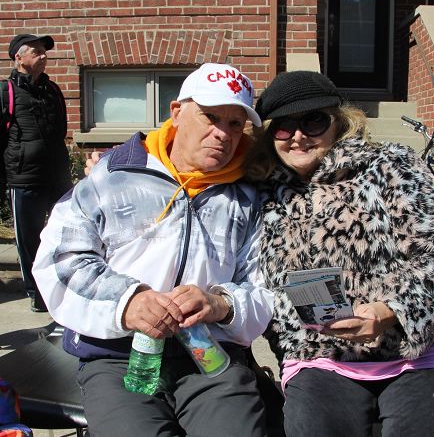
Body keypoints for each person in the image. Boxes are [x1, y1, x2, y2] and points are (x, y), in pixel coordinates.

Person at [32, 63, 274, 437]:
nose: (222, 134)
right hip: (116, 355)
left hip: (210, 354)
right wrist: (128, 302)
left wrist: (221, 305)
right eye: (210, 117)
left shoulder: (249, 197)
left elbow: (263, 285)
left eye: (235, 124)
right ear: (177, 112)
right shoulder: (112, 177)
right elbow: (60, 259)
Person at [244, 71, 434, 436]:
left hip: (419, 354)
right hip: (318, 358)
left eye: (313, 120)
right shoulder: (262, 191)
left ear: (338, 122)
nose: (299, 136)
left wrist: (390, 312)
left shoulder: (392, 167)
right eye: (284, 127)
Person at [0, 34, 72, 312]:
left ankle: (64, 286)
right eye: (36, 51)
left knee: (64, 236)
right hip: (24, 179)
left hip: (57, 178)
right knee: (29, 240)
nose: (43, 55)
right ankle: (37, 294)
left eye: (45, 51)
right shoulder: (5, 91)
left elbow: (61, 130)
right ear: (19, 57)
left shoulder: (52, 89)